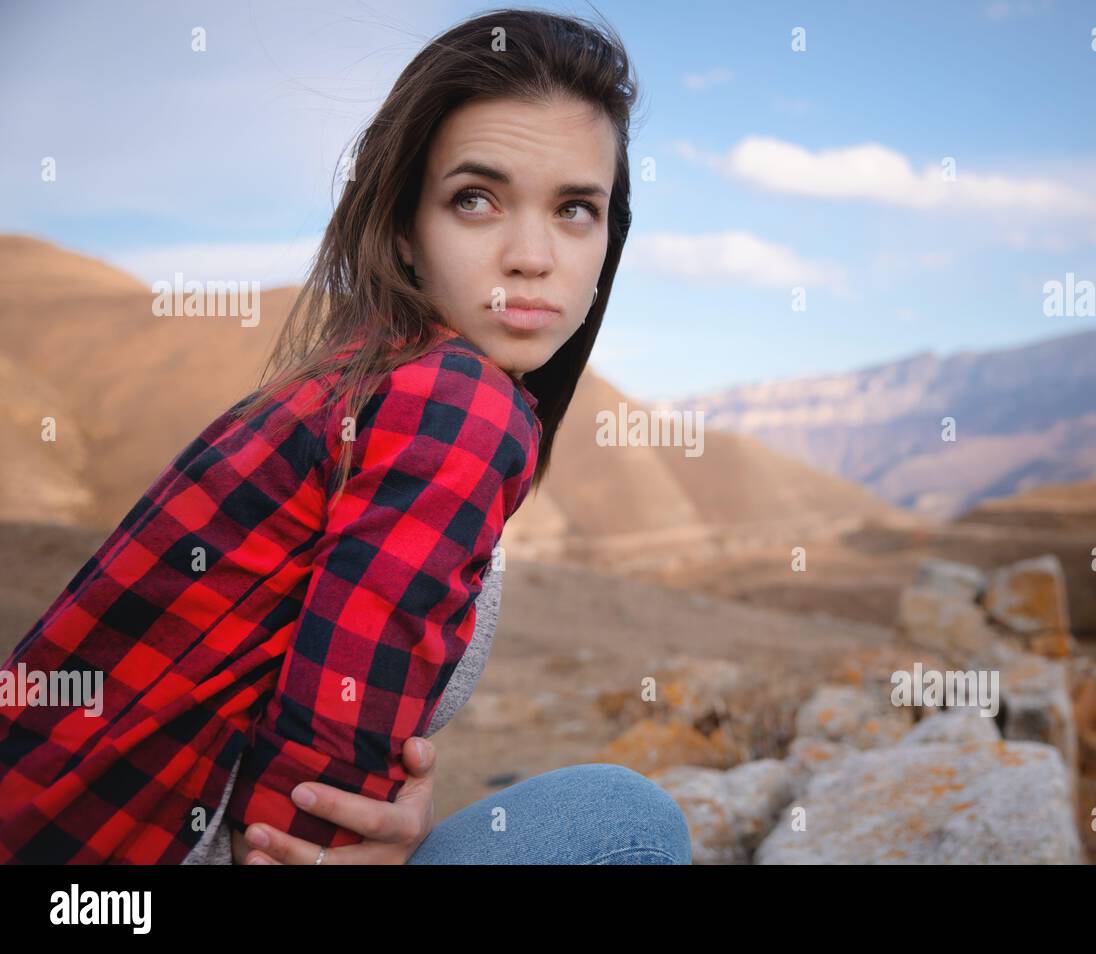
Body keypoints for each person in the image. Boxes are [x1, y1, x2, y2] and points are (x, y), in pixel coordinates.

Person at [0, 7, 691, 866]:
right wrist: (334, 838)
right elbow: (314, 780)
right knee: (622, 824)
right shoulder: (456, 400)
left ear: (606, 241)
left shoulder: (363, 378)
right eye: (475, 199)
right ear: (403, 230)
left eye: (575, 209)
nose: (530, 254)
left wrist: (388, 817)